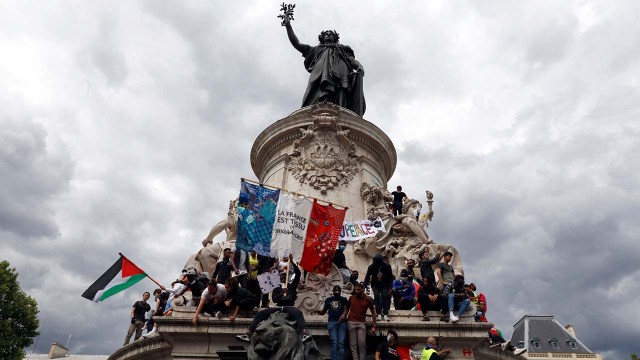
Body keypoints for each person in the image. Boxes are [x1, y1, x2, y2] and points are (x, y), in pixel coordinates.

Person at [282, 17, 366, 116]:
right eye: (326, 34)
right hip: (319, 75)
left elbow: (351, 60)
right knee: (315, 94)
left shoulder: (342, 49)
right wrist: (288, 26)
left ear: (335, 37)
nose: (328, 35)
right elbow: (297, 44)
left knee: (341, 96)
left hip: (341, 75)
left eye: (331, 34)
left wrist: (359, 65)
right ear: (322, 37)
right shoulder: (316, 49)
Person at [236, 306, 311, 343]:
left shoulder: (292, 288)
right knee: (260, 313)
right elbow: (275, 299)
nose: (282, 278)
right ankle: (247, 334)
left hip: (289, 307)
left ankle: (305, 334)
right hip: (275, 307)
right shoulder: (276, 287)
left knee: (299, 313)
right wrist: (281, 292)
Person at [315, 285, 349, 360]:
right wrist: (317, 311)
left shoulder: (344, 299)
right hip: (332, 322)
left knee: (341, 344)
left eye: (338, 291)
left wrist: (343, 315)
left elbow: (346, 309)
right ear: (333, 292)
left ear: (340, 292)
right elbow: (323, 311)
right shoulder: (328, 299)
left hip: (341, 323)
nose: (337, 292)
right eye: (335, 291)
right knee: (334, 343)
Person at [345, 282, 377, 360]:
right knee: (353, 344)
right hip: (351, 322)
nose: (356, 291)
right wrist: (344, 315)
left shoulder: (368, 300)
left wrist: (374, 326)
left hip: (361, 323)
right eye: (355, 290)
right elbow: (347, 307)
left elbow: (373, 312)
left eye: (358, 290)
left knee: (362, 343)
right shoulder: (351, 298)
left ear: (362, 289)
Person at [363, 253, 393, 321]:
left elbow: (390, 277)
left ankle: (385, 314)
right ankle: (378, 313)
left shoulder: (387, 266)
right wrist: (364, 286)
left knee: (385, 296)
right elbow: (367, 277)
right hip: (375, 284)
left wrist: (390, 287)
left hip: (384, 284)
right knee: (376, 296)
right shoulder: (371, 267)